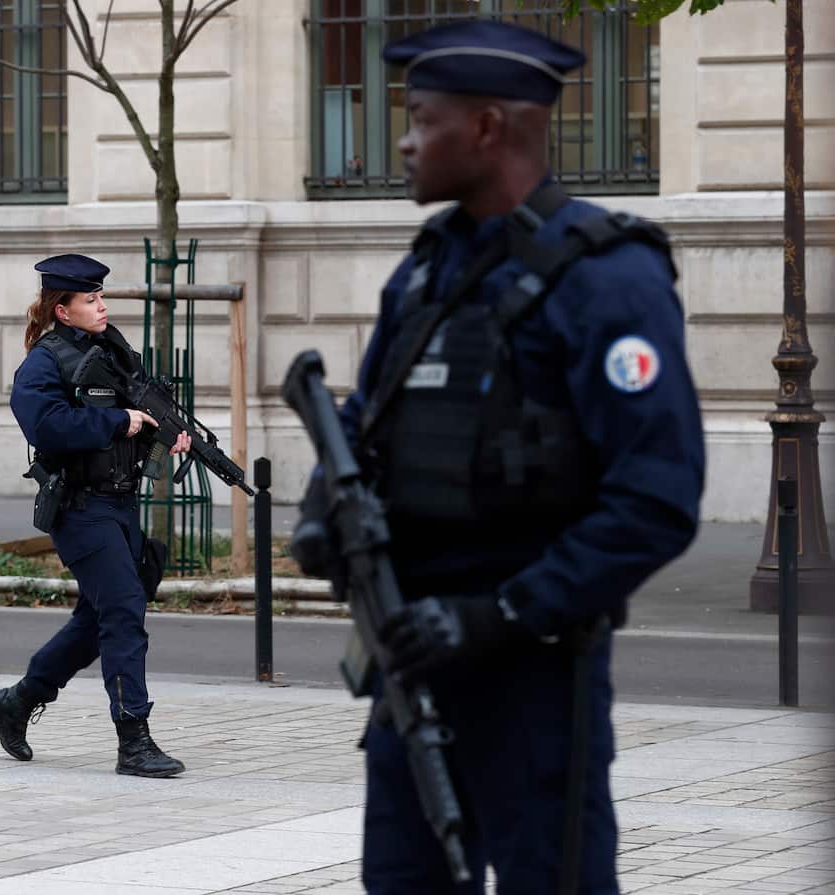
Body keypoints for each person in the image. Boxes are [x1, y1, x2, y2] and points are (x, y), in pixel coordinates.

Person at [301, 20, 706, 894]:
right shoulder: (425, 271)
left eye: (419, 119)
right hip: (412, 668)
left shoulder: (607, 277)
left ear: (486, 128)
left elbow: (657, 499)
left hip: (534, 684)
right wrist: (321, 520)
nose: (403, 143)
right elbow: (364, 426)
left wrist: (503, 613)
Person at [0, 253, 192, 779]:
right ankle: (133, 740)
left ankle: (18, 699)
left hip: (119, 503)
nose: (101, 306)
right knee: (124, 610)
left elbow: (142, 403)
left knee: (98, 617)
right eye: (90, 300)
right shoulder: (41, 365)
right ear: (62, 310)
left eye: (101, 297)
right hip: (78, 507)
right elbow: (48, 428)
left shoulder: (112, 350)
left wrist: (169, 436)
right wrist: (118, 420)